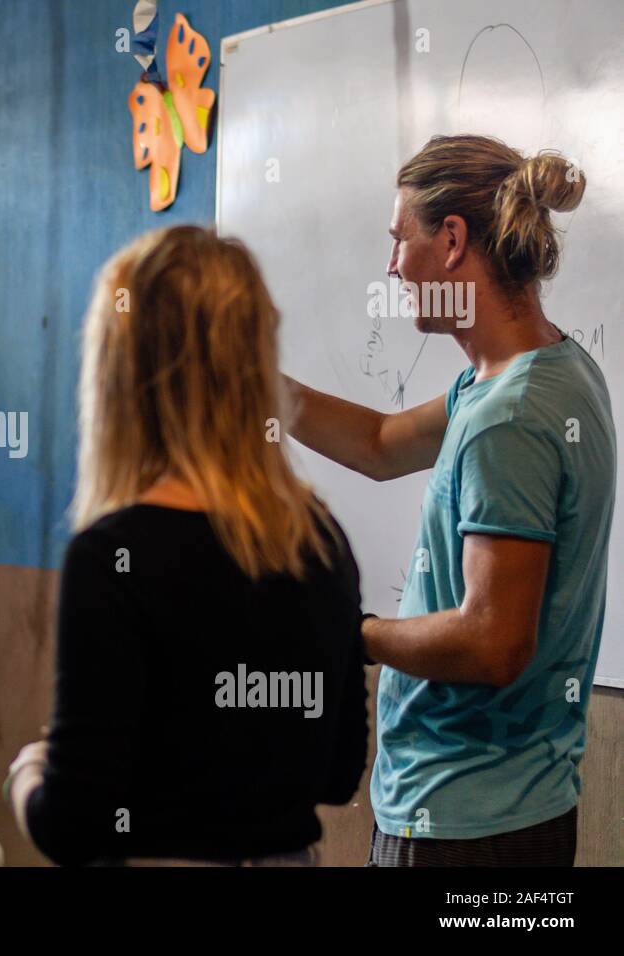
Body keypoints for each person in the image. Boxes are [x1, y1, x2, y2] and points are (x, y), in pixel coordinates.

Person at [287, 135, 614, 866]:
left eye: (399, 240)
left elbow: (495, 642)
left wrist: (354, 634)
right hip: (505, 809)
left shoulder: (513, 413)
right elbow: (378, 443)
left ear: (454, 240)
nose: (391, 265)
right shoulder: (541, 375)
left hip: (465, 822)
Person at [6, 225, 368, 866]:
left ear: (122, 370)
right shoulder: (321, 539)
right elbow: (338, 778)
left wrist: (27, 773)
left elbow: (75, 824)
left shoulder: (111, 557)